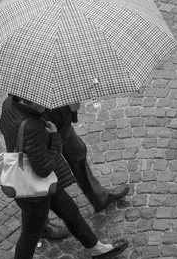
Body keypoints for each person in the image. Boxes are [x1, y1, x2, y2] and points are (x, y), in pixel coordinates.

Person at [0, 95, 129, 259]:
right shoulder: (32, 126)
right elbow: (44, 167)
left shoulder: (9, 104)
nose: (46, 104)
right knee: (30, 233)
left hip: (43, 183)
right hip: (34, 190)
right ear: (28, 100)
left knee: (71, 211)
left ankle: (97, 249)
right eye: (41, 101)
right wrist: (54, 138)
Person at [40, 102, 130, 239]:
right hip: (40, 132)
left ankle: (100, 197)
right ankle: (41, 225)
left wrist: (71, 106)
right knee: (41, 177)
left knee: (77, 152)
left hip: (61, 122)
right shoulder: (24, 97)